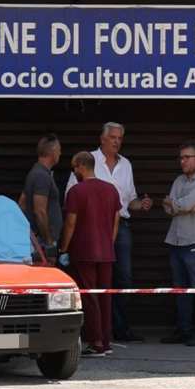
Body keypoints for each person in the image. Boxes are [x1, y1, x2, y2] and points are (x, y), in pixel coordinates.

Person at [65, 122, 151, 342]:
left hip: (119, 226)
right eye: (113, 137)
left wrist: (140, 204)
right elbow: (72, 195)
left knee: (123, 278)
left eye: (120, 138)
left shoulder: (126, 165)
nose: (116, 141)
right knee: (92, 283)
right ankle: (96, 333)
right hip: (92, 227)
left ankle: (117, 328)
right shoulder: (87, 161)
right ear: (102, 138)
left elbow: (128, 200)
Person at [59, 151, 121, 357]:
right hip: (106, 252)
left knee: (89, 297)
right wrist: (108, 243)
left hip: (83, 251)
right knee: (105, 297)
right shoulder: (111, 190)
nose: (73, 171)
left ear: (81, 166)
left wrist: (64, 248)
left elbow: (70, 223)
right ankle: (105, 341)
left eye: (74, 167)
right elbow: (116, 220)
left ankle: (95, 342)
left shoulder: (76, 192)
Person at [161, 140, 195, 347]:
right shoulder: (178, 180)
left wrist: (179, 205)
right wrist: (187, 206)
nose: (182, 161)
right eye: (181, 157)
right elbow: (169, 209)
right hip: (175, 240)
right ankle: (183, 330)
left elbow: (179, 204)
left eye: (187, 157)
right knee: (180, 289)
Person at [19, 134, 63, 262]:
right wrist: (48, 243)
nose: (60, 153)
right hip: (42, 243)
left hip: (37, 240)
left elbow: (22, 203)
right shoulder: (41, 176)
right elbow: (40, 211)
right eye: (59, 150)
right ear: (53, 152)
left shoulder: (36, 172)